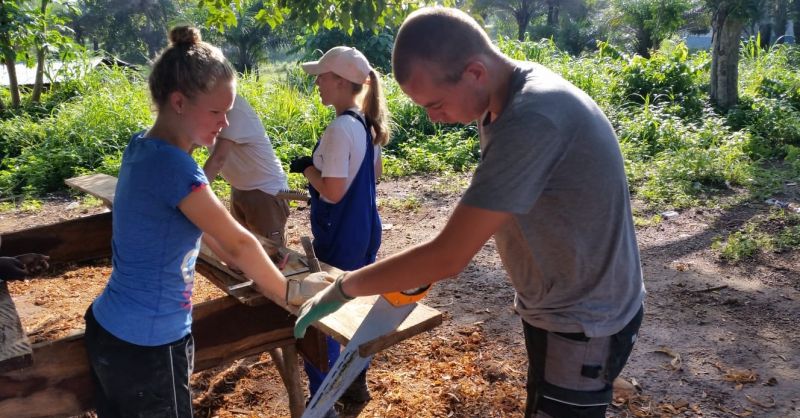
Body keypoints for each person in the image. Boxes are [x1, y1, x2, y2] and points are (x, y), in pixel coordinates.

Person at [295, 7, 646, 418]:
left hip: (585, 317)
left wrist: (343, 288)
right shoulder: (503, 99)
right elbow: (491, 212)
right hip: (556, 304)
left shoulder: (532, 117)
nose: (433, 117)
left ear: (475, 72)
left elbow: (450, 255)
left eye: (436, 103)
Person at [83, 26, 326, 418]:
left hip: (112, 327)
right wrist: (290, 295)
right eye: (216, 112)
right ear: (178, 102)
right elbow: (239, 244)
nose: (225, 124)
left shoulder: (141, 148)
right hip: (149, 344)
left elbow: (177, 228)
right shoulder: (176, 168)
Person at [289, 46, 391, 411]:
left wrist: (306, 169)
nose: (317, 82)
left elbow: (331, 191)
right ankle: (354, 385)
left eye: (322, 76)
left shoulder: (338, 129)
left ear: (341, 82)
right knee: (358, 311)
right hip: (365, 228)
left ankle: (325, 400)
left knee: (325, 317)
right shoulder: (365, 123)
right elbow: (373, 175)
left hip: (340, 234)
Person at [202, 94, 290, 264]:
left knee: (271, 256)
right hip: (239, 187)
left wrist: (193, 196)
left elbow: (217, 159)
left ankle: (274, 290)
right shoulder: (204, 106)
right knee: (244, 252)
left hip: (265, 193)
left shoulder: (233, 108)